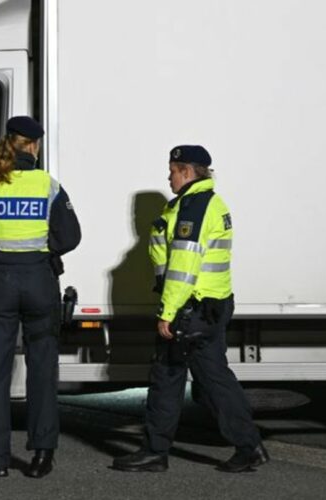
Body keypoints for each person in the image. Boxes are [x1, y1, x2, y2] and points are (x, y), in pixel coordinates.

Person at [111, 145, 268, 473]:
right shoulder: (200, 203)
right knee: (202, 378)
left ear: (185, 171)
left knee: (180, 377)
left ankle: (161, 450)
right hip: (208, 305)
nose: (168, 176)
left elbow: (183, 266)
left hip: (190, 309)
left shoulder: (194, 208)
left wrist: (168, 312)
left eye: (172, 169)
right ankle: (246, 445)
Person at [0, 116, 81, 478]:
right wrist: (45, 249)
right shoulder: (48, 185)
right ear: (34, 146)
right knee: (43, 369)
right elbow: (71, 236)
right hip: (39, 279)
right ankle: (42, 455)